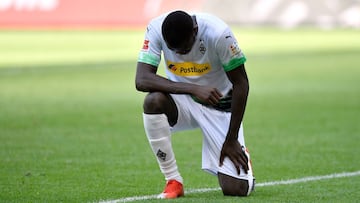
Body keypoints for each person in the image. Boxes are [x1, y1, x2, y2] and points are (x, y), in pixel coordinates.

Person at [135, 10, 255, 199]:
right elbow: (141, 79)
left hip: (219, 104)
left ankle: (241, 150)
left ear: (195, 30)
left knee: (236, 189)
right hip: (183, 100)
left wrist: (231, 139)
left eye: (184, 49)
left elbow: (242, 84)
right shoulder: (156, 28)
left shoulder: (219, 34)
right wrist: (192, 89)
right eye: (174, 51)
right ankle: (173, 180)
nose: (180, 54)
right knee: (153, 101)